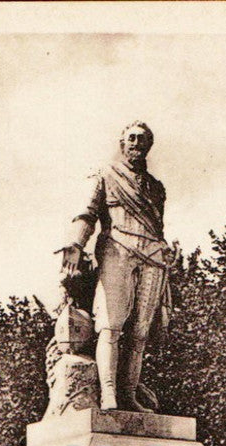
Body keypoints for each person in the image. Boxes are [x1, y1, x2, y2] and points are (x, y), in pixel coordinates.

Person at [59, 121, 173, 412]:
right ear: (122, 144)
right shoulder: (106, 175)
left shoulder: (156, 188)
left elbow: (157, 227)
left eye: (142, 139)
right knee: (111, 325)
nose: (136, 143)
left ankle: (129, 395)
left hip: (153, 255)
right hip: (117, 249)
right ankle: (108, 393)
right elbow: (87, 213)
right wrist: (76, 244)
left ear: (149, 145)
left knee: (140, 332)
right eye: (131, 138)